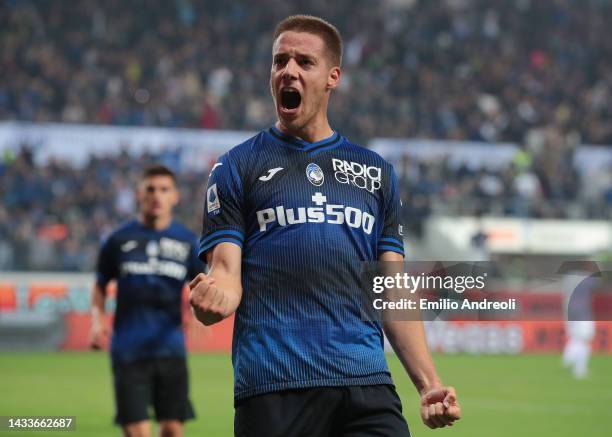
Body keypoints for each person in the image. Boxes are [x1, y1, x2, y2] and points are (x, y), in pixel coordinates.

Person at [190, 15, 461, 436]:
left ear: (332, 76)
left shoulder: (376, 173)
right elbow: (225, 273)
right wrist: (217, 299)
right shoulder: (236, 167)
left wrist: (429, 384)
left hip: (367, 386)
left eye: (304, 61)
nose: (288, 71)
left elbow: (391, 290)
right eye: (280, 61)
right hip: (275, 389)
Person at [91, 165, 202, 437]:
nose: (157, 196)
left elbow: (202, 283)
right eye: (150, 189)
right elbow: (100, 284)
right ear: (138, 194)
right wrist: (97, 321)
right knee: (137, 433)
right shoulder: (118, 239)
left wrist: (197, 314)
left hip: (170, 349)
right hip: (129, 350)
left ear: (175, 196)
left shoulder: (187, 242)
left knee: (173, 429)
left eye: (164, 190)